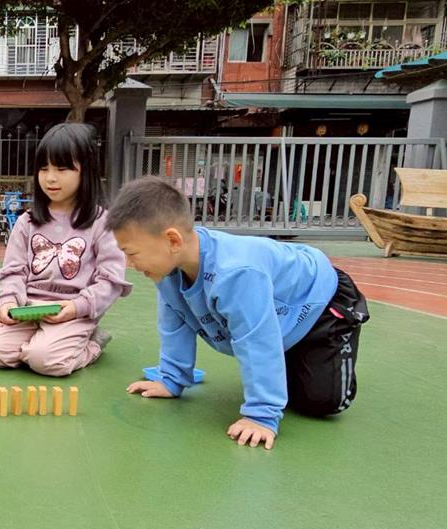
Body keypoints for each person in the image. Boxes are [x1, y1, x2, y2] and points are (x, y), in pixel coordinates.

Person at [109, 177, 368, 449]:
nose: (128, 263)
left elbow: (257, 340)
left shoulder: (236, 273)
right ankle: (287, 357)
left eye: (131, 253)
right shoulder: (167, 271)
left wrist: (262, 415)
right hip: (276, 310)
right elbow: (175, 325)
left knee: (321, 402)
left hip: (320, 302)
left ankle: (303, 355)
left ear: (172, 240)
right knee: (280, 366)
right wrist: (171, 380)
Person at [0, 123, 131, 376]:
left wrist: (78, 307)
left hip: (73, 310)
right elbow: (13, 271)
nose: (50, 178)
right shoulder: (27, 221)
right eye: (43, 168)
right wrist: (8, 303)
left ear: (86, 170)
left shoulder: (102, 222)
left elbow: (110, 281)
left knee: (45, 360)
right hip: (27, 308)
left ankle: (91, 344)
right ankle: (39, 343)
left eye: (62, 168)